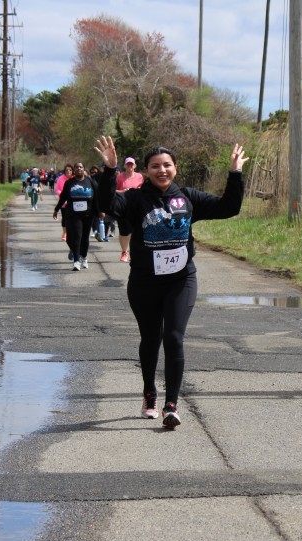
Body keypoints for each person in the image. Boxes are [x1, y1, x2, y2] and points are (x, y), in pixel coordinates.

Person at [95, 135, 248, 429]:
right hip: (144, 283)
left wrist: (235, 173)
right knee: (151, 339)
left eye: (167, 165)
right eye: (155, 166)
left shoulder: (188, 198)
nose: (161, 170)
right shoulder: (136, 199)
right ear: (146, 170)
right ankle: (149, 394)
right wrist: (110, 170)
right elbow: (106, 205)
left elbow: (229, 207)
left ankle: (172, 405)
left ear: (175, 168)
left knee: (174, 338)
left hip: (181, 281)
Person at [53, 161, 98, 271]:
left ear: (84, 169)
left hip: (88, 214)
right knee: (76, 236)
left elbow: (97, 197)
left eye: (81, 167)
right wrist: (56, 209)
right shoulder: (69, 183)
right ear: (74, 170)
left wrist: (100, 211)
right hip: (74, 214)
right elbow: (63, 197)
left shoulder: (90, 181)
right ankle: (76, 261)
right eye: (77, 167)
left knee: (85, 237)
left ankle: (84, 257)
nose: (79, 169)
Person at [112, 156, 145, 262]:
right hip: (123, 206)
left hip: (136, 206)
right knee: (124, 231)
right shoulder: (120, 177)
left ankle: (135, 252)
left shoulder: (140, 176)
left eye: (131, 164)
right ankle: (124, 252)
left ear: (135, 166)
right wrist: (124, 191)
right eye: (128, 164)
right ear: (125, 166)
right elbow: (114, 191)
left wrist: (136, 190)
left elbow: (144, 189)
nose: (130, 166)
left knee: (136, 230)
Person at [54, 164, 74, 243]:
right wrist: (63, 195)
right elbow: (57, 189)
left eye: (70, 170)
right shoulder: (60, 178)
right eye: (66, 170)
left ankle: (72, 232)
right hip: (64, 202)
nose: (68, 171)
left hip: (74, 202)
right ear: (64, 171)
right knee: (65, 218)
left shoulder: (74, 178)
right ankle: (65, 233)